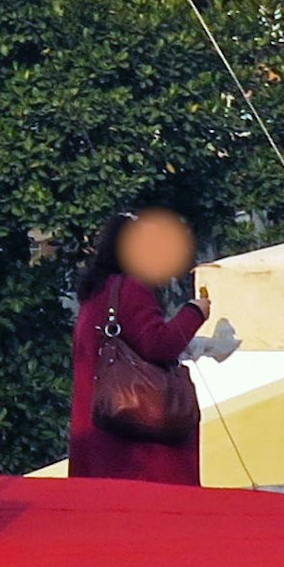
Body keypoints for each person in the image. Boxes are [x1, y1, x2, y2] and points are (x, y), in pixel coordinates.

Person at [64, 200, 242, 488]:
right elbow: (159, 344)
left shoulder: (96, 292)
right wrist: (195, 311)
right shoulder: (131, 289)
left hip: (99, 433)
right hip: (133, 446)